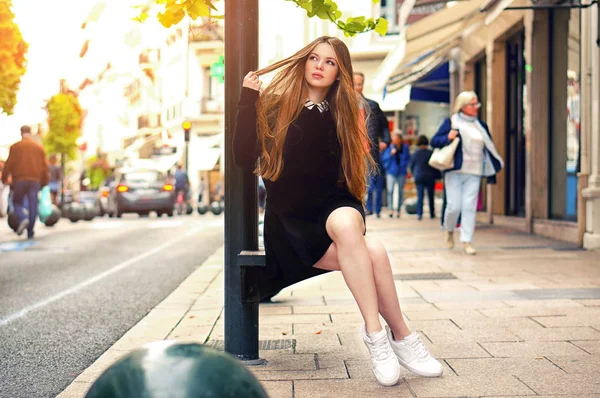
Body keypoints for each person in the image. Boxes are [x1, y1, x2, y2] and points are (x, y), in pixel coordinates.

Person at [233, 36, 442, 387]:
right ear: (303, 62)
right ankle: (402, 336)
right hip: (291, 221)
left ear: (339, 74)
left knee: (348, 224)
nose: (319, 66)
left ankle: (377, 337)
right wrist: (247, 98)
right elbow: (242, 156)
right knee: (373, 251)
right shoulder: (274, 106)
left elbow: (350, 174)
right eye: (314, 58)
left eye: (330, 62)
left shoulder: (344, 114)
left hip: (335, 206)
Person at [431, 91, 503, 255]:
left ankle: (466, 240)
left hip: (475, 171)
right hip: (455, 170)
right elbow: (434, 141)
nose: (476, 107)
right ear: (462, 106)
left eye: (477, 103)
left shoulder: (481, 126)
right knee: (454, 206)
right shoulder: (451, 122)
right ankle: (449, 229)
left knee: (469, 206)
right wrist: (448, 137)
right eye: (472, 104)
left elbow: (488, 148)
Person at [1, 125, 49, 239]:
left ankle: (23, 218)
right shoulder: (38, 147)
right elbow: (45, 167)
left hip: (20, 179)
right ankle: (30, 231)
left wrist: (4, 178)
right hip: (35, 180)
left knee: (16, 201)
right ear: (30, 132)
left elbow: (8, 164)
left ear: (21, 132)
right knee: (33, 204)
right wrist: (43, 182)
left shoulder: (16, 147)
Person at [353, 72, 390, 218]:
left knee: (370, 182)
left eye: (359, 84)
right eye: (354, 84)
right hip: (351, 152)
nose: (357, 87)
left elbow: (384, 126)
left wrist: (385, 141)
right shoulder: (341, 105)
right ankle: (359, 208)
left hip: (368, 151)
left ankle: (370, 208)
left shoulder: (372, 105)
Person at [409, 135, 439, 220]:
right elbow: (434, 165)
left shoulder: (415, 153)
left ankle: (419, 214)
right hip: (430, 176)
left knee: (420, 196)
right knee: (430, 196)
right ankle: (432, 213)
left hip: (419, 176)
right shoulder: (430, 152)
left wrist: (413, 173)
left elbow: (411, 165)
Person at [381, 130, 410, 218]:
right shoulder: (389, 148)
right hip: (391, 172)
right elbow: (384, 159)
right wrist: (391, 154)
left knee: (400, 191)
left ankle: (398, 210)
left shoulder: (404, 148)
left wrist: (404, 166)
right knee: (390, 190)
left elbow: (407, 159)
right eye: (394, 138)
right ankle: (390, 209)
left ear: (400, 139)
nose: (395, 139)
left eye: (397, 138)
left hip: (401, 171)